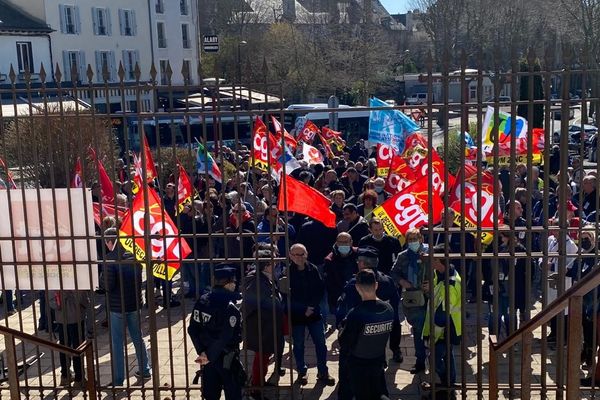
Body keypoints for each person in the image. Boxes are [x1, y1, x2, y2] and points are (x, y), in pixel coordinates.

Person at [101, 228, 152, 386]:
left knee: (117, 343)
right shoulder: (135, 256)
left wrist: (102, 279)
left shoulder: (110, 259)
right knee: (138, 337)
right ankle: (145, 369)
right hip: (134, 304)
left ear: (110, 242)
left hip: (117, 307)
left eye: (106, 242)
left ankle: (118, 379)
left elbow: (108, 285)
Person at [336, 247, 402, 363]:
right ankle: (395, 351)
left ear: (362, 263)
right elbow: (395, 302)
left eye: (358, 261)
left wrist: (340, 325)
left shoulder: (355, 283)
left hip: (361, 328)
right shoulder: (387, 280)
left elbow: (345, 306)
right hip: (384, 320)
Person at [188, 264, 243, 400]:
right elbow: (224, 337)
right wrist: (208, 355)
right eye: (234, 281)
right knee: (233, 392)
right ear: (228, 283)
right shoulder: (230, 308)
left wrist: (202, 352)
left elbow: (192, 329)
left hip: (207, 359)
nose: (235, 285)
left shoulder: (202, 300)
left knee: (211, 394)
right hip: (226, 358)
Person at [338, 269, 394, 400]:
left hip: (358, 364)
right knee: (378, 392)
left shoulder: (355, 314)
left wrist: (342, 329)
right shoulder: (388, 309)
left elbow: (345, 342)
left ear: (357, 287)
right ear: (376, 285)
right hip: (377, 360)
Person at [286, 244, 335, 386]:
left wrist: (311, 307)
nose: (299, 258)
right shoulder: (287, 273)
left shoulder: (312, 269)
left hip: (313, 313)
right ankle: (301, 371)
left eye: (302, 254)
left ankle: (323, 371)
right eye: (296, 254)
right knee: (299, 344)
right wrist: (303, 309)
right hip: (297, 315)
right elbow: (287, 295)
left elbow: (319, 290)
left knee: (320, 343)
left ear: (306, 254)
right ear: (290, 256)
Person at [243, 249, 285, 398]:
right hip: (261, 327)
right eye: (274, 260)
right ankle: (256, 388)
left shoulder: (266, 277)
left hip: (269, 325)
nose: (277, 262)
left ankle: (259, 382)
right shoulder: (256, 281)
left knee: (265, 357)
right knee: (261, 358)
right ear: (267, 265)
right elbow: (249, 305)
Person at [422, 245, 462, 390]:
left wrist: (433, 335)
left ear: (439, 260)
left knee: (434, 358)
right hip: (442, 326)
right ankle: (450, 381)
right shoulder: (438, 272)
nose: (429, 261)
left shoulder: (450, 283)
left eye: (432, 258)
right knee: (447, 355)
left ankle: (446, 383)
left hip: (446, 328)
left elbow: (443, 313)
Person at [390, 228, 429, 374]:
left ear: (421, 239)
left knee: (434, 330)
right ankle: (420, 361)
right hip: (413, 298)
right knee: (418, 330)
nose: (413, 242)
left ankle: (435, 359)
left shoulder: (430, 253)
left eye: (415, 239)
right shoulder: (403, 256)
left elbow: (443, 270)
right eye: (410, 239)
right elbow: (393, 273)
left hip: (431, 296)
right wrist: (402, 281)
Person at [48, 290, 89, 388]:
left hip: (61, 317)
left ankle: (65, 375)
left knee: (64, 345)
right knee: (78, 346)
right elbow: (83, 300)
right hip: (76, 315)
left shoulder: (53, 280)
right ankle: (79, 378)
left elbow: (52, 302)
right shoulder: (74, 278)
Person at [324, 233, 358, 313]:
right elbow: (329, 282)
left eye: (346, 242)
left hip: (357, 296)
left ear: (351, 242)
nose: (343, 244)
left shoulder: (358, 254)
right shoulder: (329, 260)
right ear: (336, 243)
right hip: (338, 298)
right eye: (340, 242)